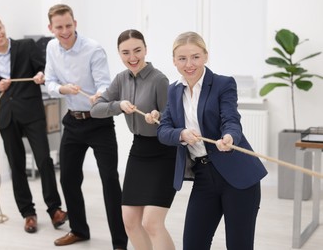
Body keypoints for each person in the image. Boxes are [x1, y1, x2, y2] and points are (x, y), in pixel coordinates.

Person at [157, 31, 268, 250]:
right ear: (174, 61)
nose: (189, 64)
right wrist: (181, 134)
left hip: (238, 176)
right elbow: (163, 130)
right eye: (182, 58)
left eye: (195, 57)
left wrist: (229, 137)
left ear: (206, 56)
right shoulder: (173, 91)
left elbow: (231, 120)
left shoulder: (222, 84)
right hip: (203, 176)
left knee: (239, 245)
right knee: (193, 244)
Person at [44, 4, 127, 250]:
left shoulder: (93, 49)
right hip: (72, 121)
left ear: (75, 23)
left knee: (110, 181)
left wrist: (99, 96)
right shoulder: (51, 47)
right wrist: (62, 89)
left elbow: (104, 84)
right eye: (59, 27)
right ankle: (79, 230)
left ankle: (119, 242)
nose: (65, 31)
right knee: (68, 179)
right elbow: (49, 81)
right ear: (51, 28)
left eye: (68, 25)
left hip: (99, 122)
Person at [0, 14, 67, 234]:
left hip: (32, 113)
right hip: (7, 118)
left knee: (44, 160)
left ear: (4, 26)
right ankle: (28, 214)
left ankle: (55, 209)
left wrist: (40, 75)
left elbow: (44, 70)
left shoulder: (26, 46)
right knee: (17, 167)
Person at [91, 29, 177, 250]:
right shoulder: (121, 79)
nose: (132, 57)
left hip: (163, 153)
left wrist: (157, 116)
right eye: (125, 52)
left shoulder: (159, 79)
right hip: (138, 151)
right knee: (129, 220)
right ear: (119, 54)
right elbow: (96, 109)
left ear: (145, 49)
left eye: (137, 50)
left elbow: (172, 121)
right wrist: (118, 106)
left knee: (151, 222)